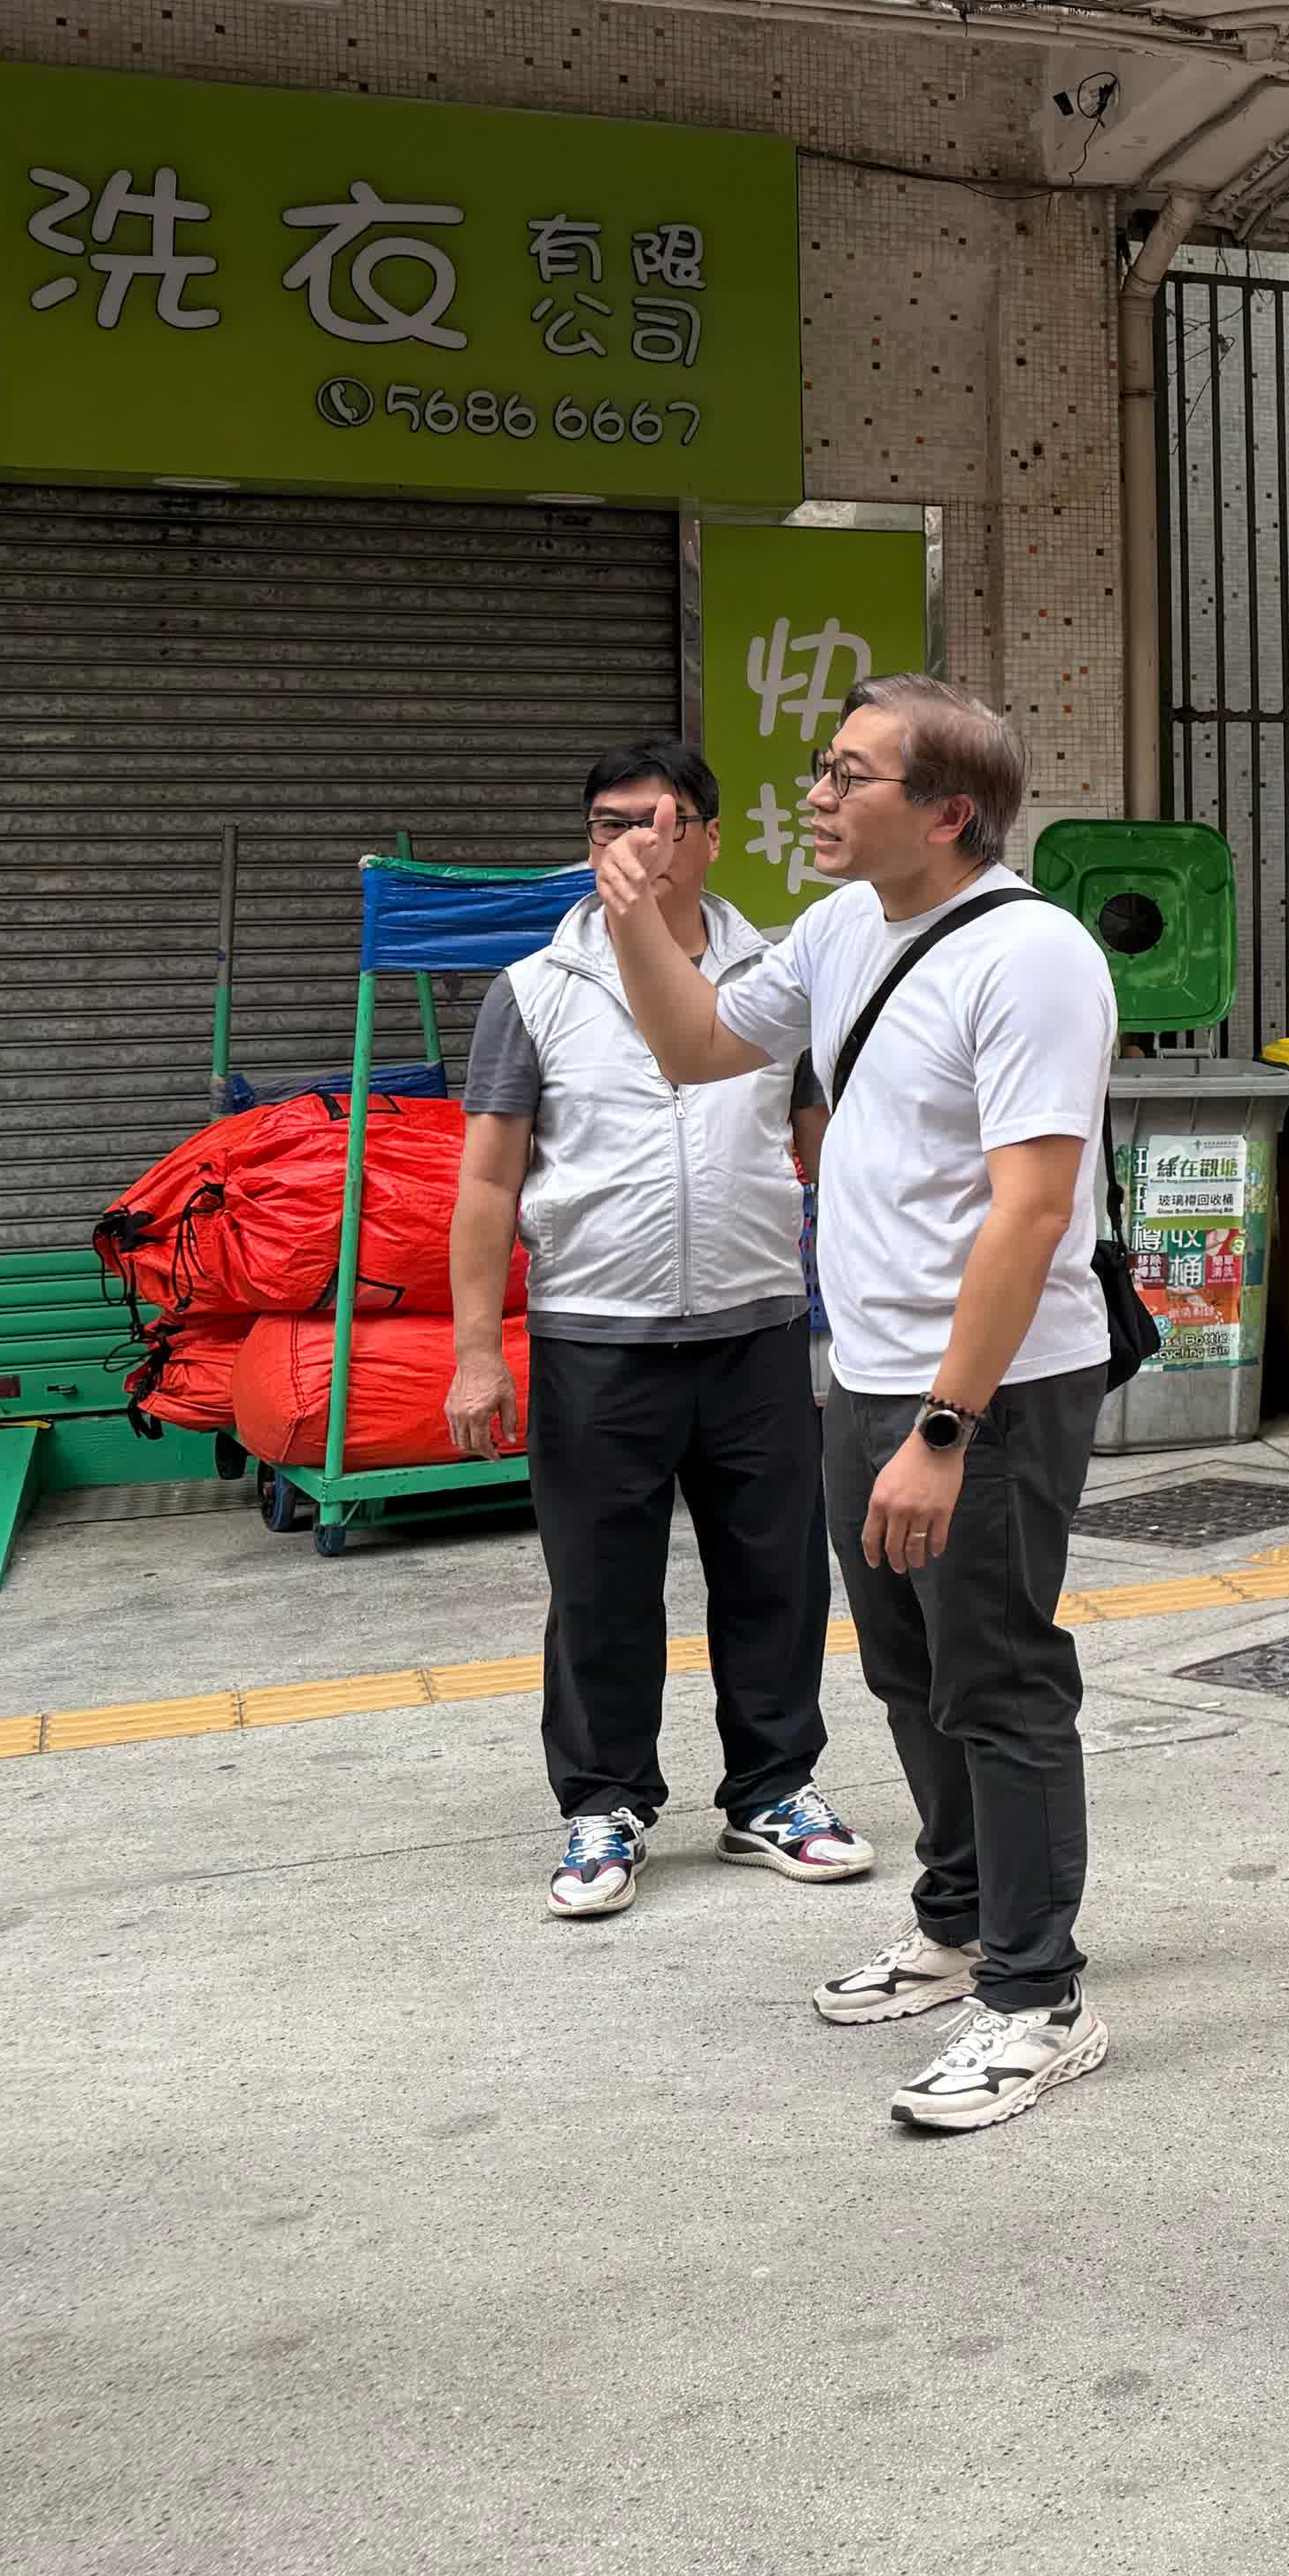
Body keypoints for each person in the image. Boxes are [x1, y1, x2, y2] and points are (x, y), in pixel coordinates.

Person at [588, 674, 1126, 2133]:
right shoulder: (838, 930)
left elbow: (1032, 1210)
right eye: (823, 769)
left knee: (996, 1678)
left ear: (948, 813)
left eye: (847, 775)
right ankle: (959, 1924)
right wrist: (634, 916)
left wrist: (947, 1430)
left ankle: (1038, 1995)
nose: (815, 796)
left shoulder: (1032, 957)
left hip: (989, 1386)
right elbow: (696, 1049)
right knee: (907, 1668)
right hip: (870, 1369)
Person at [451, 740, 873, 1921]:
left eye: (660, 821)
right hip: (595, 1341)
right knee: (599, 1588)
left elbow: (830, 1156)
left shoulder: (775, 980)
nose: (633, 845)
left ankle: (774, 1791)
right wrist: (477, 1354)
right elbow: (486, 1182)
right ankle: (605, 1804)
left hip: (757, 1334)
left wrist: (868, 1321)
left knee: (777, 1576)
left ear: (711, 839)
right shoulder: (535, 990)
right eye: (607, 825)